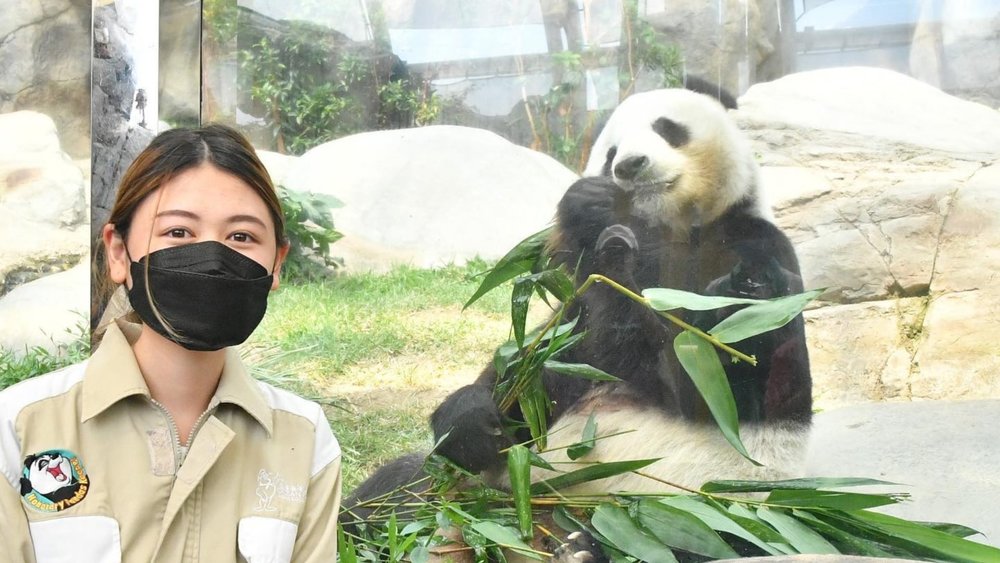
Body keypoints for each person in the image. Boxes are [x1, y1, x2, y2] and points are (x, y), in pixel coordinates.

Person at [0, 124, 342, 563]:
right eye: (178, 232)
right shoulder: (19, 428)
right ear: (119, 253)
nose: (212, 258)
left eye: (242, 237)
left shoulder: (305, 439)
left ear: (276, 264)